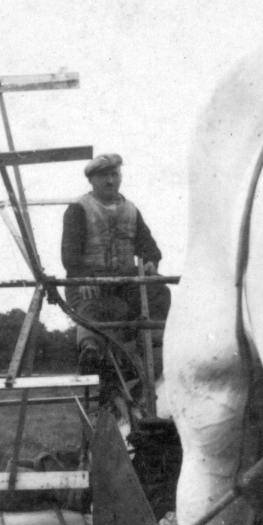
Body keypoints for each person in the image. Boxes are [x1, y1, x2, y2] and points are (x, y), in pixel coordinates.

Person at [61, 153, 168, 375]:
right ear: (91, 180)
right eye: (103, 176)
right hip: (88, 283)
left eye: (114, 174)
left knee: (159, 291)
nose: (110, 181)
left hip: (125, 282)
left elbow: (148, 245)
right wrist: (83, 277)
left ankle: (153, 345)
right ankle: (90, 350)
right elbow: (70, 253)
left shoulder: (130, 209)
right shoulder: (78, 208)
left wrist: (150, 261)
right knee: (98, 306)